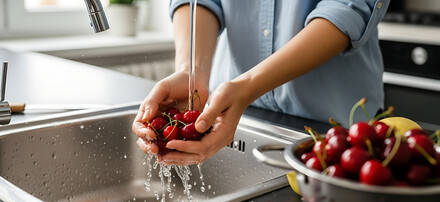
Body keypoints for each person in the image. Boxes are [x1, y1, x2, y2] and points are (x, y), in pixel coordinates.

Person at [132, 0, 390, 165]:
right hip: (234, 111)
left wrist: (248, 86)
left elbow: (348, 6)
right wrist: (191, 71)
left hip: (337, 130)